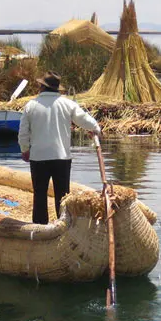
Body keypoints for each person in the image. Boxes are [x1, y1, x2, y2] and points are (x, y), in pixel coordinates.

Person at [18, 72, 101, 224]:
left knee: (40, 195)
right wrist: (95, 129)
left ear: (42, 87)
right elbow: (84, 119)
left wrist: (25, 149)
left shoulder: (31, 105)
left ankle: (39, 227)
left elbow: (23, 133)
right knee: (62, 196)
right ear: (57, 89)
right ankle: (63, 225)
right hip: (61, 157)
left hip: (38, 157)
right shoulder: (67, 104)